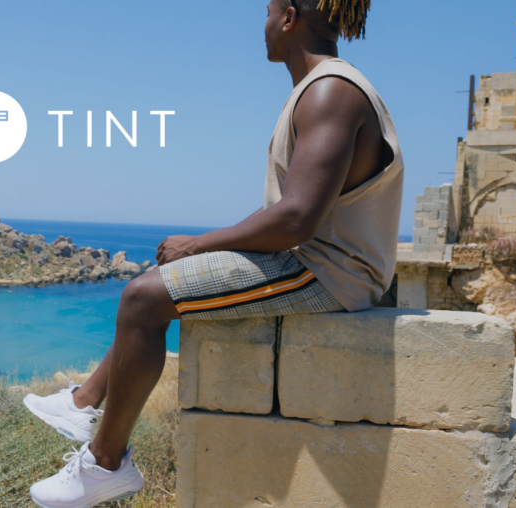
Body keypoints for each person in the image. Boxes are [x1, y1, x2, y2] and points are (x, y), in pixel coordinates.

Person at [24, 0, 402, 506]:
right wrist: (200, 251)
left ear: (289, 18)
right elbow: (295, 209)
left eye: (267, 12)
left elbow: (296, 218)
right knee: (173, 283)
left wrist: (199, 242)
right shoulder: (323, 89)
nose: (263, 26)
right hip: (321, 261)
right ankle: (85, 401)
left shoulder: (331, 92)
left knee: (141, 299)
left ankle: (104, 465)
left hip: (329, 273)